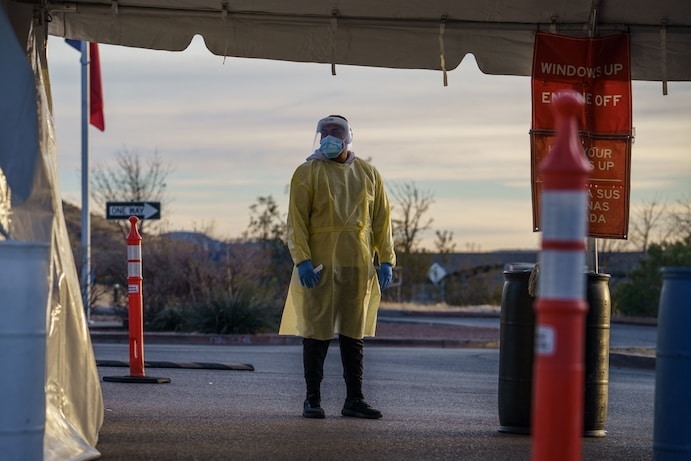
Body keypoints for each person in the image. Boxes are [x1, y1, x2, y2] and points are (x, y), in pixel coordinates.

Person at [279, 115, 396, 420]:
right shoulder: (307, 173)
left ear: (348, 137)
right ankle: (312, 399)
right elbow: (296, 222)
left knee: (353, 333)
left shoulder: (368, 174)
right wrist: (302, 259)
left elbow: (382, 220)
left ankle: (354, 399)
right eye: (325, 132)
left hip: (357, 264)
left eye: (336, 131)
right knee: (316, 332)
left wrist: (386, 258)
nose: (329, 136)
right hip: (318, 266)